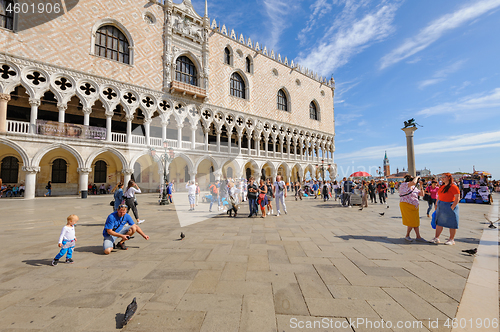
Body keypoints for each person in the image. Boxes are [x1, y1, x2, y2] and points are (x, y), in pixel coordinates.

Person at [430, 173, 460, 245]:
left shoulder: (454, 187)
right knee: (439, 222)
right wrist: (437, 205)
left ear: (449, 178)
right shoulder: (442, 187)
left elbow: (457, 198)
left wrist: (452, 207)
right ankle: (436, 238)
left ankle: (451, 239)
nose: (442, 178)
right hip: (441, 205)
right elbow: (439, 196)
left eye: (444, 177)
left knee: (452, 223)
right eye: (441, 177)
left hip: (449, 205)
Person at [399, 175, 426, 242]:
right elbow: (413, 182)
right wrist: (417, 177)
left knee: (415, 221)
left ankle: (416, 236)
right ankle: (410, 235)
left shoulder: (414, 187)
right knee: (411, 220)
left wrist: (421, 185)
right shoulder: (404, 185)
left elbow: (422, 194)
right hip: (406, 204)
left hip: (414, 206)